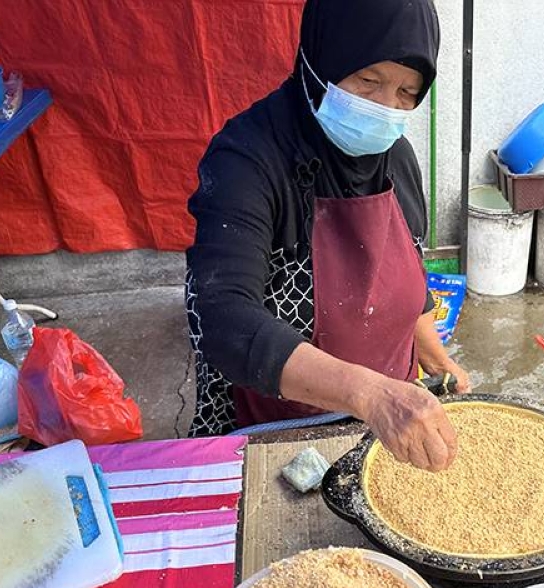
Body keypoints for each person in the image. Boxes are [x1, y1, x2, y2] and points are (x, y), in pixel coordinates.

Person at [186, 0, 468, 472]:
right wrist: (369, 394)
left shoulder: (395, 155)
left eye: (407, 92)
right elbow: (223, 320)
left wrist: (432, 353)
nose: (385, 108)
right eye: (369, 81)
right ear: (323, 58)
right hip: (281, 430)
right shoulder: (247, 158)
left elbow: (407, 272)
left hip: (386, 427)